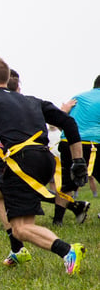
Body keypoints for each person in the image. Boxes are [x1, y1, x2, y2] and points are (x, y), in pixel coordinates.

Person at [0, 54, 87, 274]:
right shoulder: (32, 100)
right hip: (44, 159)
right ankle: (18, 251)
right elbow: (69, 123)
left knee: (22, 228)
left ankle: (67, 251)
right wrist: (78, 161)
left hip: (23, 163)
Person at [52, 75, 100, 224]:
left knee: (67, 184)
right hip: (93, 143)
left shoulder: (77, 97)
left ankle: (58, 220)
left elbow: (63, 123)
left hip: (68, 142)